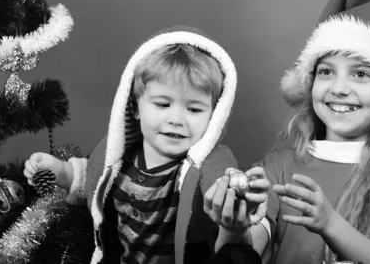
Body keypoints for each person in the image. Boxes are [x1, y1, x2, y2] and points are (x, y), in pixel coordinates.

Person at [204, 0, 370, 264]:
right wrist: (233, 228)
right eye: (326, 72)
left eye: (360, 74)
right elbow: (248, 251)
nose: (339, 88)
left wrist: (330, 224)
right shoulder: (278, 169)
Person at [23, 26, 266, 264]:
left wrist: (237, 198)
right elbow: (95, 178)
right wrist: (62, 172)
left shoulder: (209, 163)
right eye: (162, 104)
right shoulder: (119, 155)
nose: (176, 120)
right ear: (135, 107)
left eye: (194, 109)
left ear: (214, 117)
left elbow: (220, 185)